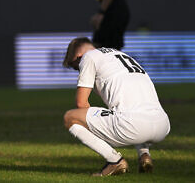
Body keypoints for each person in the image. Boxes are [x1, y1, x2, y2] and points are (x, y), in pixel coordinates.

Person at [62, 37, 170, 176]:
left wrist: (92, 125)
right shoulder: (120, 55)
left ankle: (114, 161)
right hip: (162, 126)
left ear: (78, 57)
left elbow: (81, 104)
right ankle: (144, 155)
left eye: (76, 67)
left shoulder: (88, 57)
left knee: (70, 118)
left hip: (133, 127)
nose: (79, 71)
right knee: (132, 108)